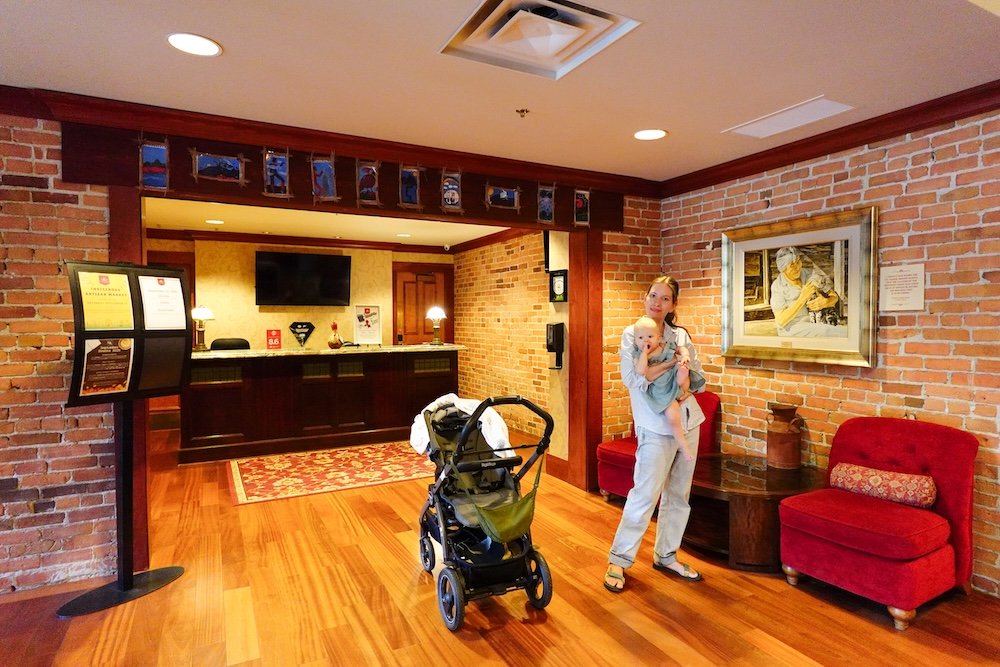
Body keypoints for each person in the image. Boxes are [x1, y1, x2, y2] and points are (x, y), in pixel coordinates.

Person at [605, 276, 706, 593]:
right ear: (645, 298)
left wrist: (680, 373)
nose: (657, 302)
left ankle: (666, 555)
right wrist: (664, 369)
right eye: (653, 295)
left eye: (665, 298)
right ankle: (619, 560)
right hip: (653, 426)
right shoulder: (632, 334)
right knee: (644, 495)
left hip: (687, 422)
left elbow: (693, 377)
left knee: (679, 495)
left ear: (673, 305)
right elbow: (633, 379)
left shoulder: (680, 335)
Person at [631, 315, 705, 462]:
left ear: (659, 337)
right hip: (661, 391)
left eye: (650, 336)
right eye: (640, 338)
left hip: (674, 380)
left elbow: (681, 348)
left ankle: (682, 375)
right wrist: (645, 354)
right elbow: (641, 371)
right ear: (635, 340)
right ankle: (683, 445)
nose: (646, 341)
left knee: (683, 372)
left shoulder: (666, 346)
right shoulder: (639, 355)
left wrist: (684, 356)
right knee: (672, 414)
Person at [769, 246, 846, 337]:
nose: (797, 267)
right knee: (829, 332)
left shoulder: (809, 274)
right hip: (792, 327)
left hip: (816, 322)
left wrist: (826, 302)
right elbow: (781, 320)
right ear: (783, 269)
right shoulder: (777, 286)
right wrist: (803, 298)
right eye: (792, 265)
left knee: (840, 331)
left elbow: (834, 296)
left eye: (798, 261)